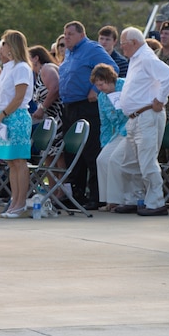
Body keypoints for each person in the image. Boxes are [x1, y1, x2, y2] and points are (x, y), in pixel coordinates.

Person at [114, 28, 169, 216]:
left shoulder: (147, 58)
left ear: (134, 42)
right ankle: (134, 198)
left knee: (147, 161)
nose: (121, 47)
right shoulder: (136, 58)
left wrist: (160, 99)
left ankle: (156, 202)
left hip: (147, 115)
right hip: (135, 117)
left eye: (123, 43)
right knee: (129, 162)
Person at [59, 21, 118, 209]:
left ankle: (96, 195)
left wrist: (96, 89)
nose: (66, 37)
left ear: (81, 34)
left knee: (91, 150)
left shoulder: (92, 49)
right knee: (72, 152)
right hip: (69, 107)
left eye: (70, 34)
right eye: (65, 33)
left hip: (86, 106)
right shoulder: (69, 52)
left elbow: (111, 67)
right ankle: (77, 195)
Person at [0, 30, 34, 218]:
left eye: (5, 43)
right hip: (4, 117)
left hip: (16, 118)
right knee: (10, 162)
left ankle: (20, 202)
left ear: (12, 46)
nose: (2, 47)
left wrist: (2, 115)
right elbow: (0, 96)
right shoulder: (7, 67)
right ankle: (14, 202)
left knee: (19, 161)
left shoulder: (22, 67)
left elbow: (19, 97)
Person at [91, 63, 128, 211]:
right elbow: (104, 122)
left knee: (114, 160)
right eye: (97, 85)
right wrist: (105, 143)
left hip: (131, 128)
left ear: (109, 79)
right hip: (118, 132)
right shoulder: (102, 97)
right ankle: (108, 199)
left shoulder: (125, 85)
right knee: (102, 159)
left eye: (102, 84)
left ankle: (118, 199)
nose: (100, 88)